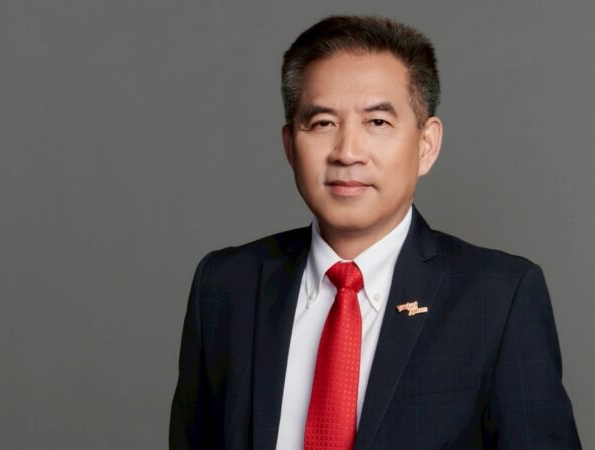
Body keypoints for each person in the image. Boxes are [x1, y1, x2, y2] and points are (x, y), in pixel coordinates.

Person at [169, 15, 581, 449]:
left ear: (426, 144)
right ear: (290, 145)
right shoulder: (225, 286)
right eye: (323, 123)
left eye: (377, 122)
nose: (347, 152)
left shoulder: (498, 298)